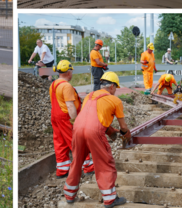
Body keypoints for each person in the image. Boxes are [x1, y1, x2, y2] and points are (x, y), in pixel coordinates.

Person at [63, 71, 130, 207]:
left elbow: (90, 116)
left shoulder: (89, 96)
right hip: (94, 132)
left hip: (77, 128)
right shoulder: (115, 100)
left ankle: (69, 195)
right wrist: (125, 134)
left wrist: (109, 129)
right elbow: (123, 126)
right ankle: (110, 199)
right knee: (104, 163)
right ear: (111, 86)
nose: (115, 90)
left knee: (76, 161)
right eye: (116, 87)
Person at [49, 60, 94, 178]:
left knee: (60, 143)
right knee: (77, 142)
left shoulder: (53, 84)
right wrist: (75, 122)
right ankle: (88, 167)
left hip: (55, 117)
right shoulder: (66, 86)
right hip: (66, 117)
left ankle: (62, 171)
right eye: (71, 71)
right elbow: (70, 105)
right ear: (68, 72)